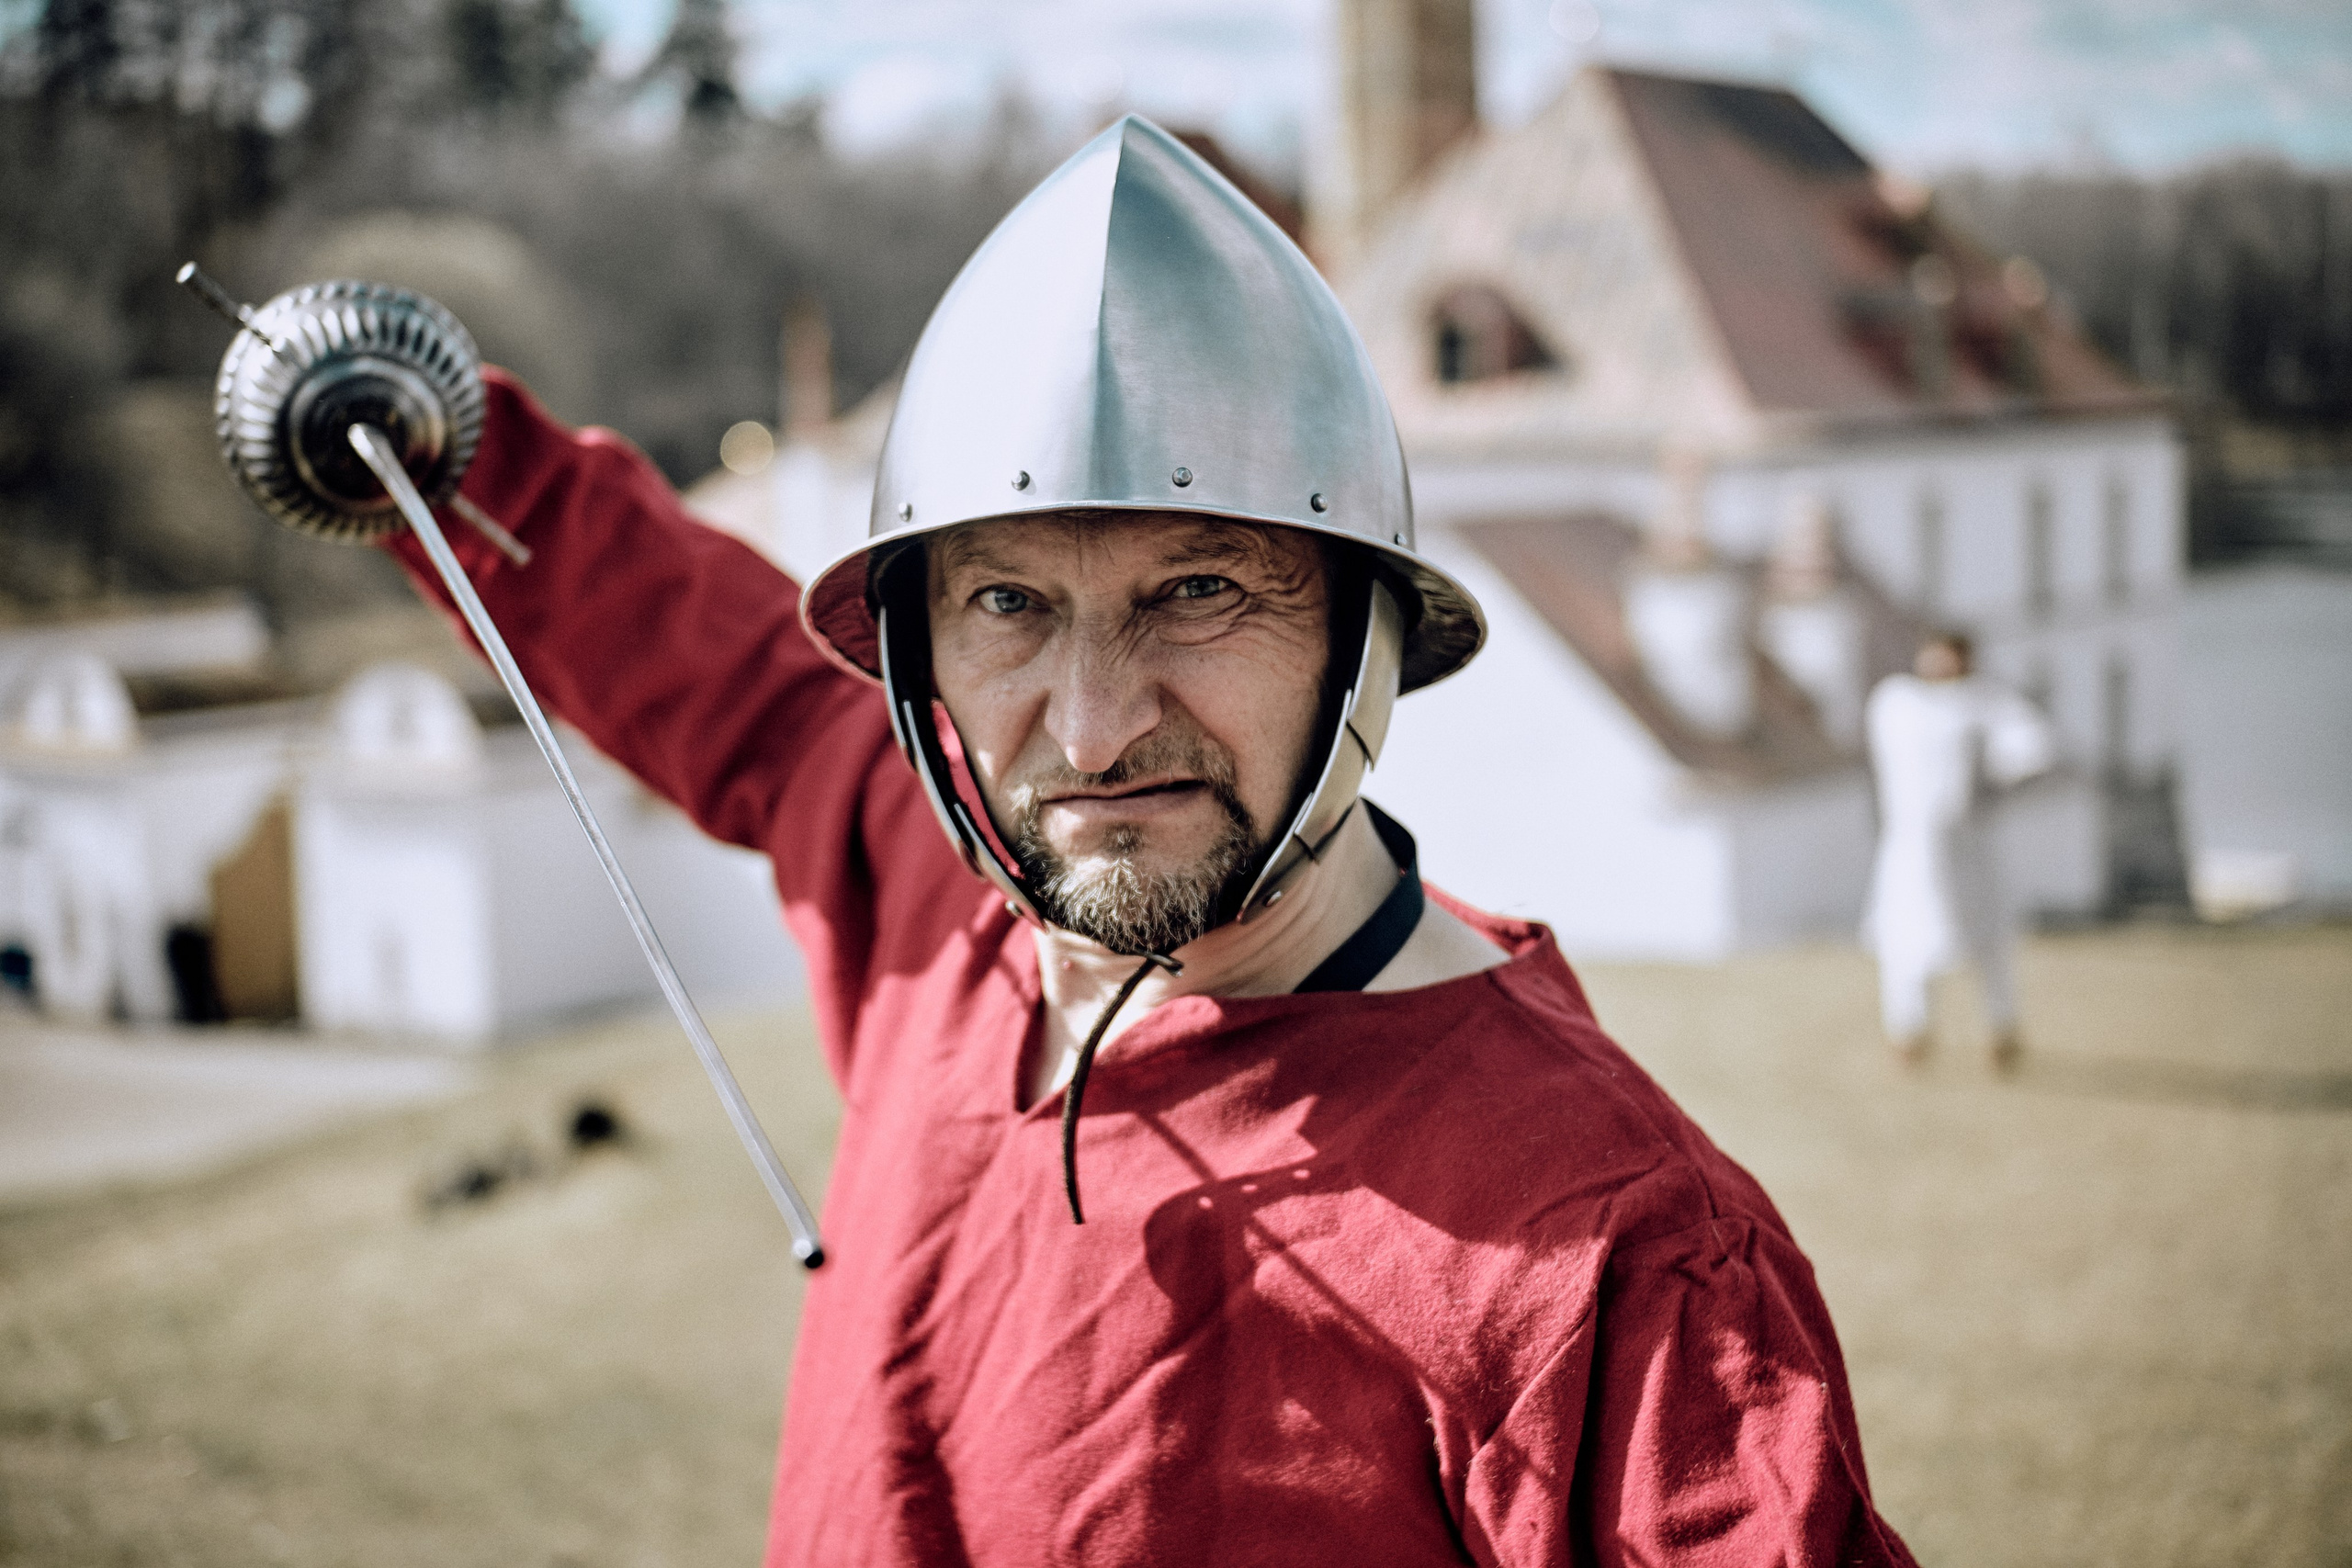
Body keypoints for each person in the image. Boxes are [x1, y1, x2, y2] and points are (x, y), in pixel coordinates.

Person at [388, 118, 1917, 1567]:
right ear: (923, 659)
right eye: (1008, 603)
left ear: (1359, 637)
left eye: (1197, 591)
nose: (1095, 730)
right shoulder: (936, 887)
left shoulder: (1616, 1250)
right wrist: (430, 449)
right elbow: (723, 671)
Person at [1862, 631, 2057, 1070]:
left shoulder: (1982, 702)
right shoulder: (1896, 700)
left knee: (1986, 938)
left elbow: (2030, 746)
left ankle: (2001, 1029)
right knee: (1904, 941)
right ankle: (1908, 1031)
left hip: (1966, 843)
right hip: (1909, 845)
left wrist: (1995, 777)